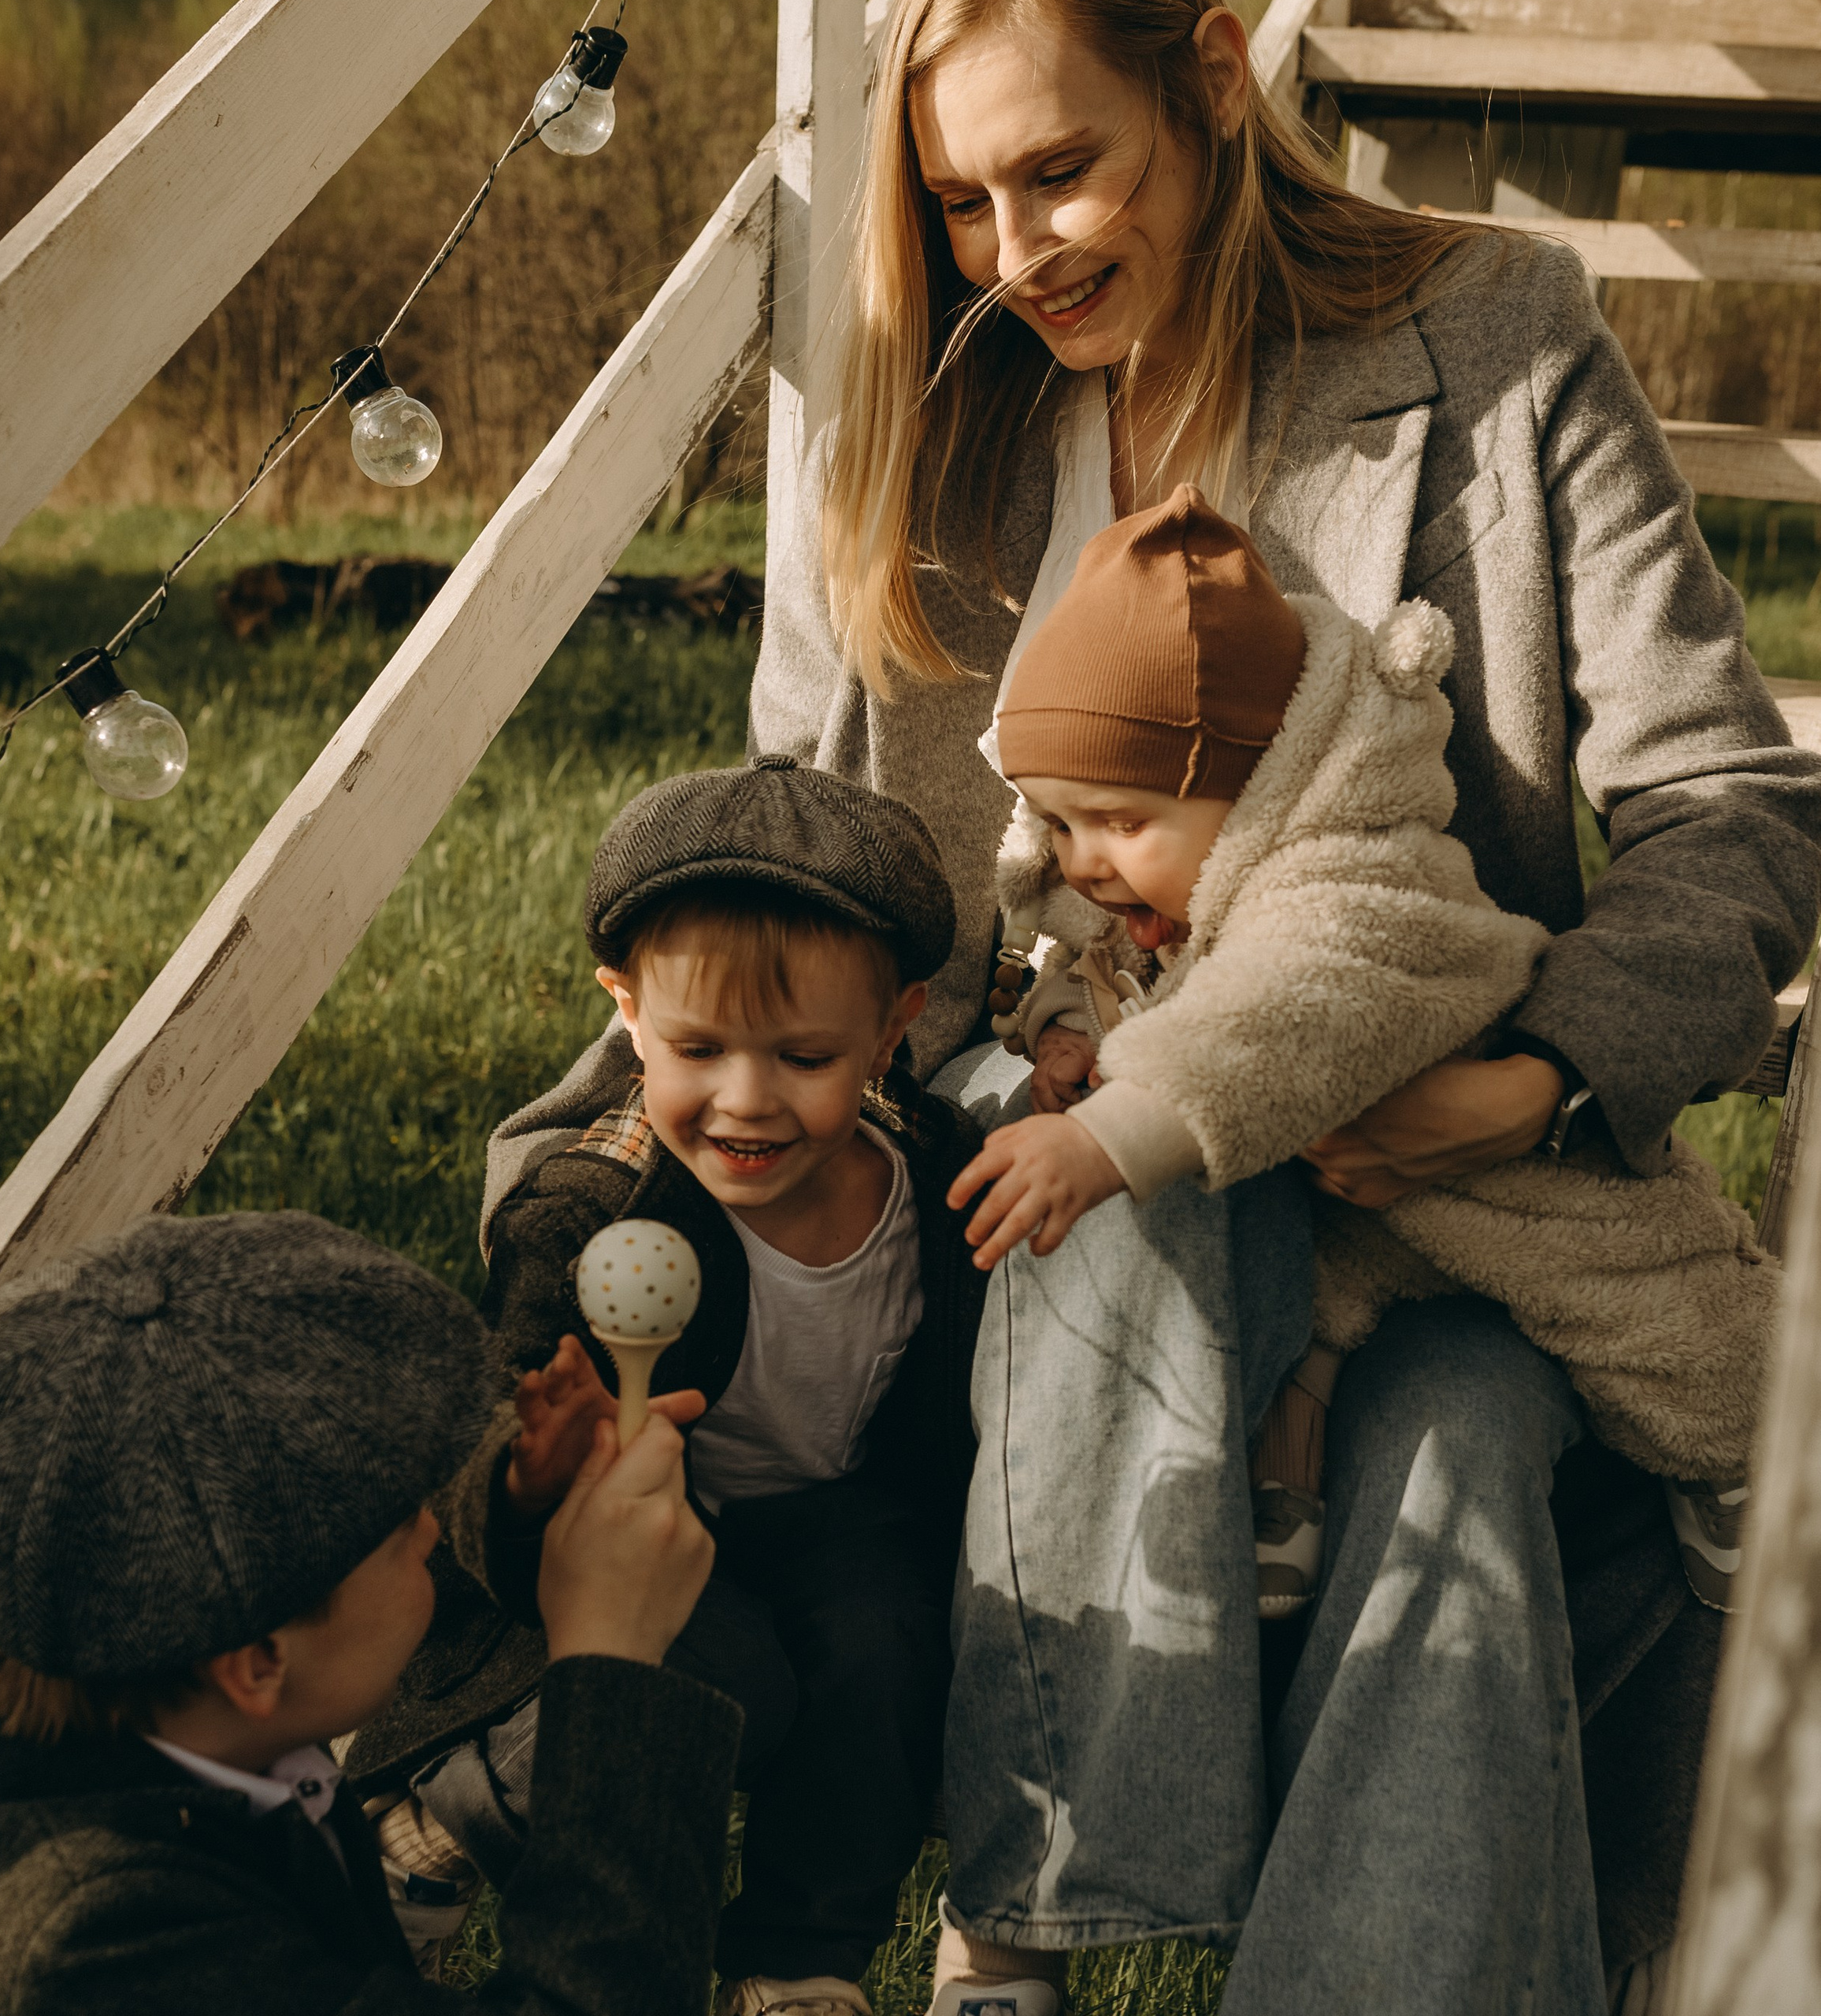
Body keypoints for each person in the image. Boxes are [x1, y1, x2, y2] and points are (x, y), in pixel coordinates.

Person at [490, 3, 1821, 2011]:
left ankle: (1133, 1959)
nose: (1014, 247)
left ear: (1211, 74)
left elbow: (1726, 801)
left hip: (1428, 1147)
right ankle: (1018, 1946)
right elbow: (803, 877)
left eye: (1058, 169)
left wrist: (1529, 1080)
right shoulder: (925, 417)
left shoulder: (1497, 334)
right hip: (1037, 1140)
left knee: (1454, 1422)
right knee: (1190, 1240)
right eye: (956, 201)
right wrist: (583, 1168)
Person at [960, 482, 1771, 1620]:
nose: (1084, 860)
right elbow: (1118, 970)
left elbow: (1267, 1012)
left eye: (1119, 821)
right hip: (1354, 1213)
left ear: (1256, 789)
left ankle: (1751, 1456)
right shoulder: (1169, 881)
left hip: (1522, 1187)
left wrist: (1105, 1134)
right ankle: (1286, 1475)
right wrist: (1063, 1031)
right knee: (1312, 1314)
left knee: (1668, 1323)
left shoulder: (1356, 883)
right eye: (1055, 822)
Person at [358, 757, 988, 2016]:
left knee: (884, 1648)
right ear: (625, 1011)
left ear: (895, 1021)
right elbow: (480, 1427)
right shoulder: (594, 1209)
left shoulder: (934, 1170)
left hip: (836, 1514)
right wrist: (532, 1469)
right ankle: (442, 1819)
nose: (745, 1099)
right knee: (717, 1682)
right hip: (641, 1527)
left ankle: (799, 1963)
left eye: (804, 1054)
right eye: (697, 1046)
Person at [0, 1210, 732, 2016]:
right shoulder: (98, 1958)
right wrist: (610, 1660)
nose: (433, 1523)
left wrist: (517, 1496)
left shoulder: (152, 1682)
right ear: (257, 1663)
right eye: (403, 1527)